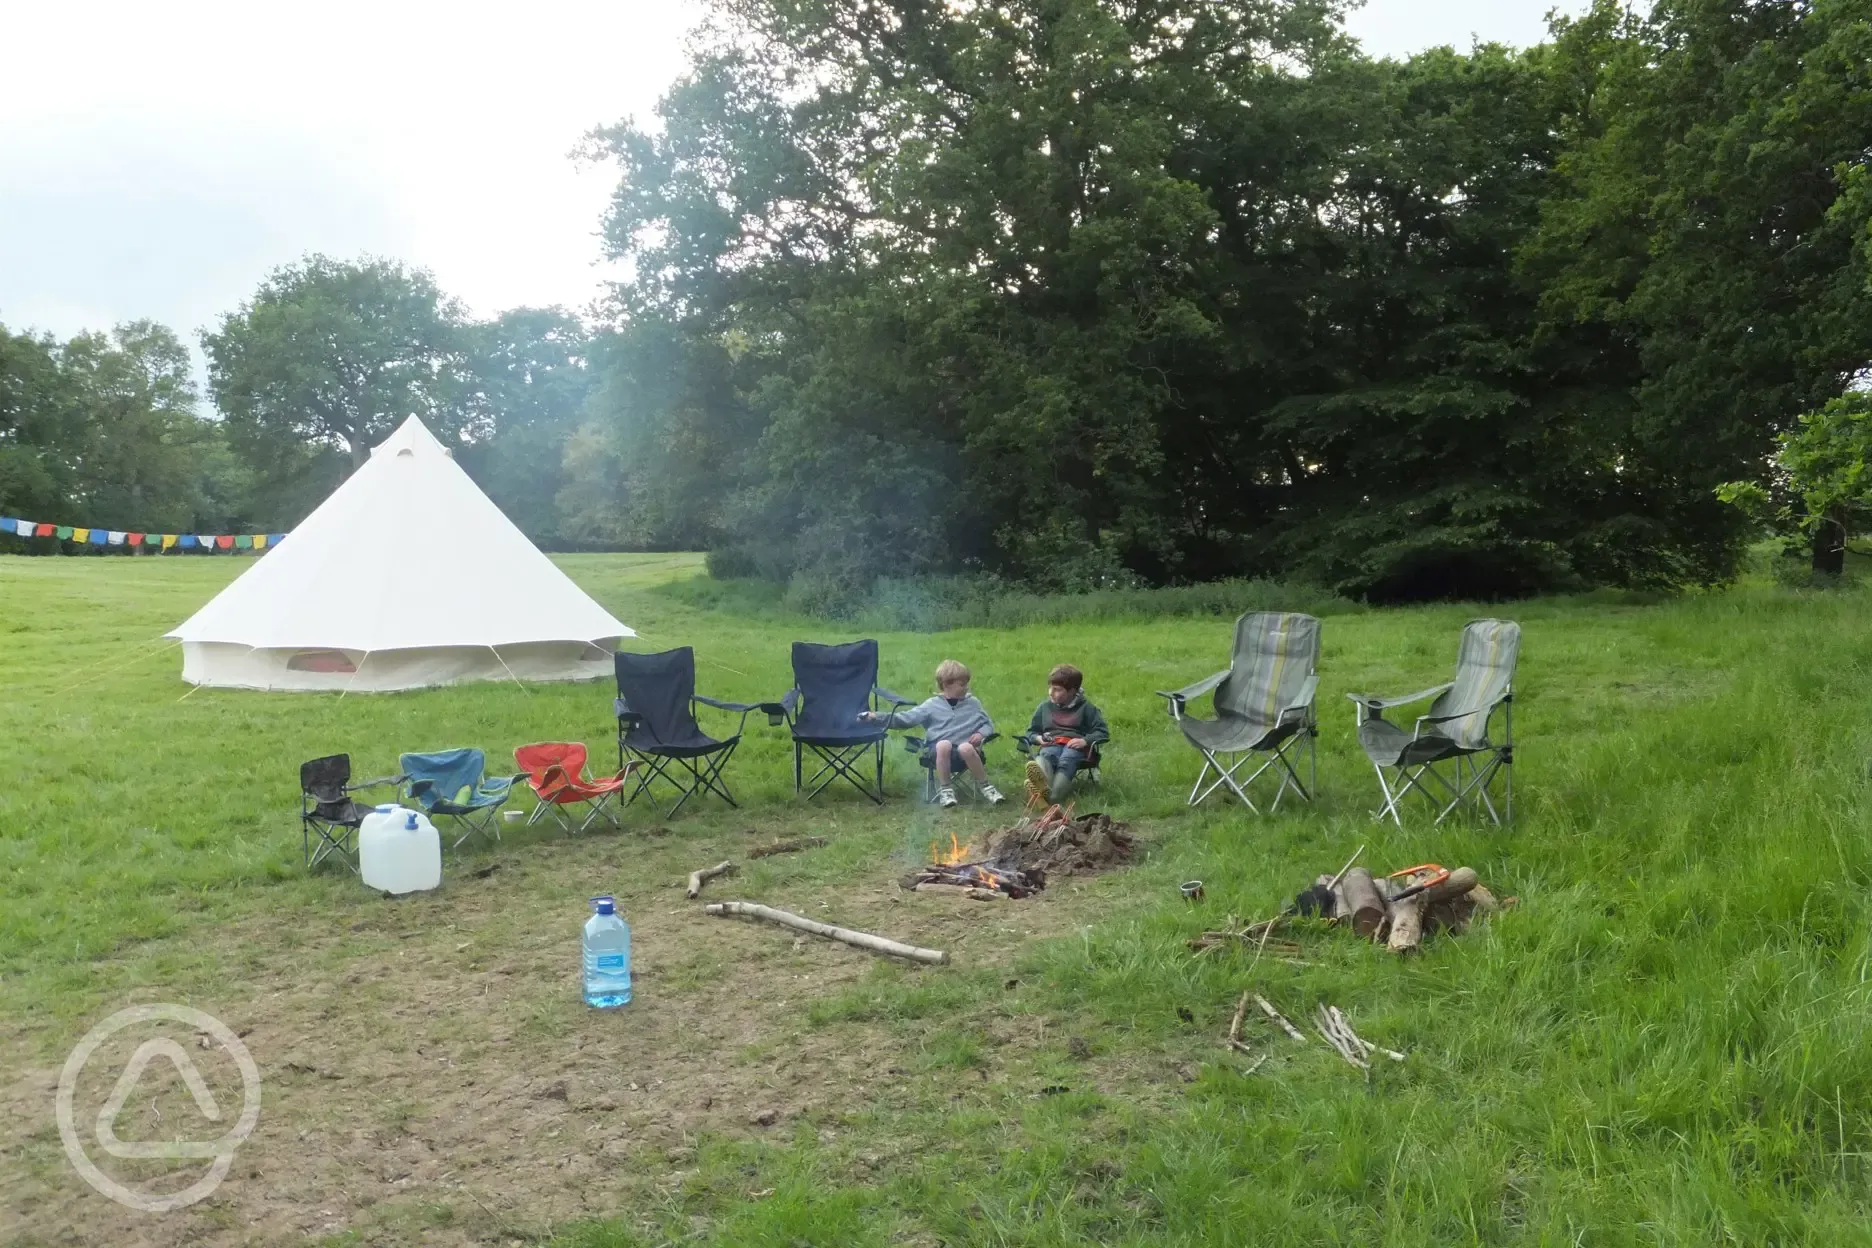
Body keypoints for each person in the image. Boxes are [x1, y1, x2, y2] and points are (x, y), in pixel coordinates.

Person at [861, 658, 1004, 807]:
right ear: (946, 684)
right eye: (962, 684)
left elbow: (988, 724)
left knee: (965, 747)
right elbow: (905, 719)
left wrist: (981, 733)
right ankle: (946, 790)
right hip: (939, 752)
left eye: (966, 683)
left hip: (967, 752)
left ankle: (986, 787)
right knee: (943, 745)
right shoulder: (931, 705)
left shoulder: (973, 703)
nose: (966, 688)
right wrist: (876, 717)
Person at [1024, 663, 1110, 804]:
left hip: (1074, 746)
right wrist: (1038, 738)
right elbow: (1030, 732)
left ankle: (1051, 797)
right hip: (1051, 744)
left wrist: (1085, 741)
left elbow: (1102, 732)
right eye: (1050, 687)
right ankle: (1045, 791)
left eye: (1057, 689)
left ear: (1072, 691)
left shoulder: (1087, 708)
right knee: (1045, 756)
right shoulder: (1044, 707)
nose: (1051, 692)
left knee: (1068, 758)